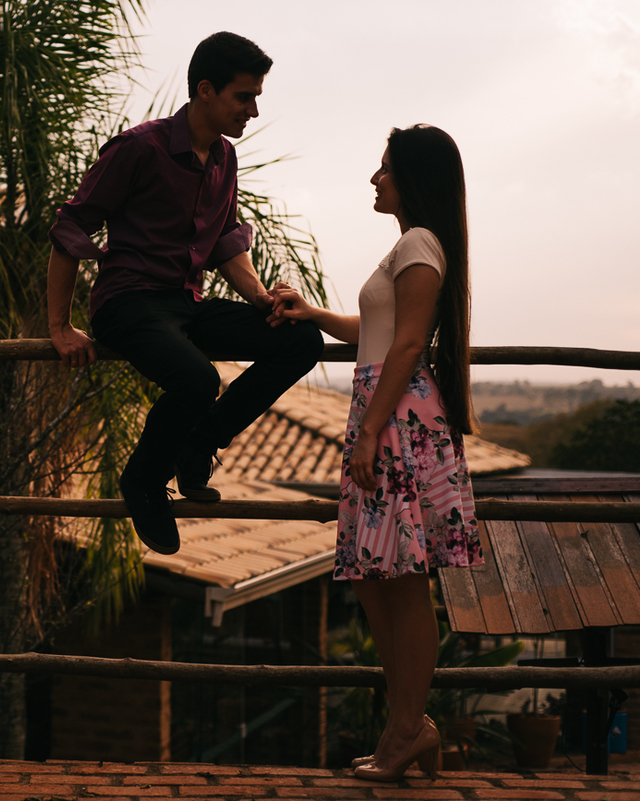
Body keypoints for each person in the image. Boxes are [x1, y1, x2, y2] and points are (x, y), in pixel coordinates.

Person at [46, 32, 323, 556]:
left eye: (257, 96)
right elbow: (71, 227)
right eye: (244, 96)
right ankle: (143, 482)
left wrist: (262, 299)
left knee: (301, 340)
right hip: (127, 303)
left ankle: (201, 440)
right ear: (205, 90)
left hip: (185, 305)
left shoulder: (224, 159)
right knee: (198, 378)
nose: (253, 109)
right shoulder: (139, 148)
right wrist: (59, 327)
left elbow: (224, 242)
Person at [268, 124, 482, 782]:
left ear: (412, 177)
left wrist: (369, 430)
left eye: (385, 167)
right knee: (374, 575)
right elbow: (380, 328)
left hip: (394, 413)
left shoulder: (420, 242)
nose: (374, 177)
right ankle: (409, 723)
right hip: (383, 407)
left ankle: (407, 727)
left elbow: (410, 343)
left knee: (404, 582)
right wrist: (315, 315)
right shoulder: (410, 247)